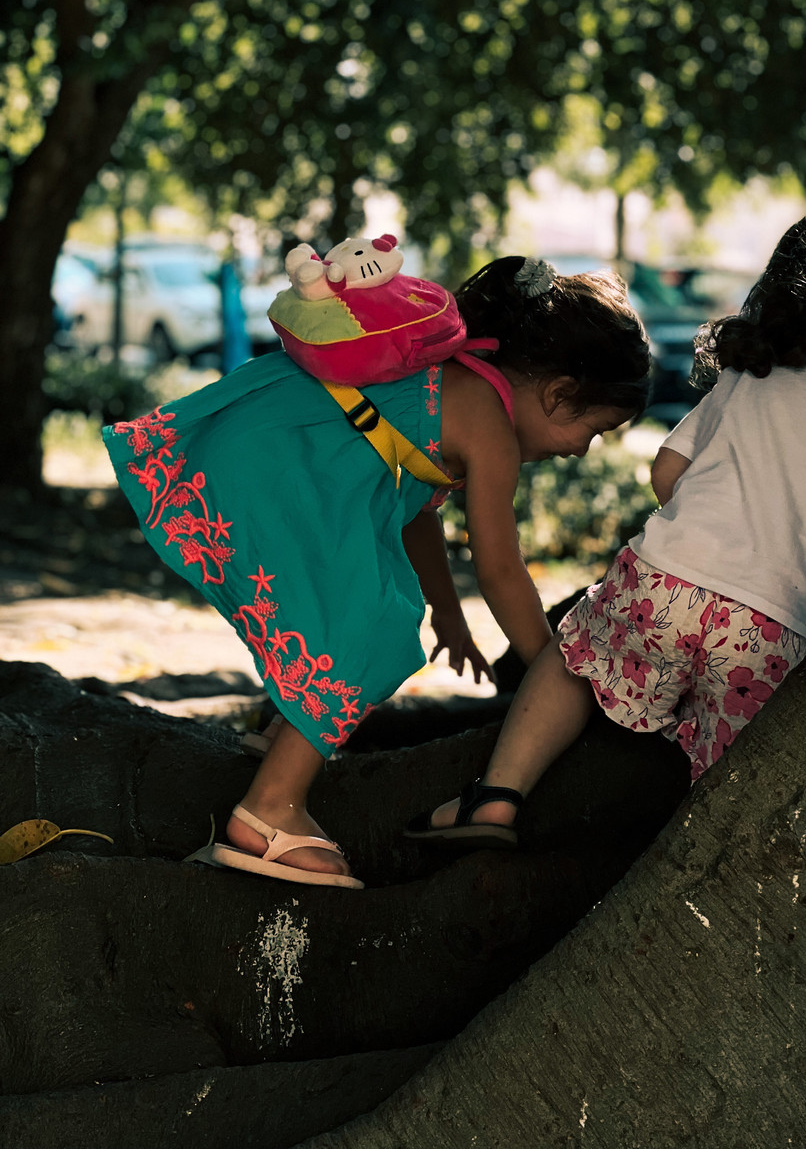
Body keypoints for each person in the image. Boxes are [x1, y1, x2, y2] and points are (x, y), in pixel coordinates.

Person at [407, 195, 806, 847]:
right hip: (782, 623)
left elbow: (666, 474)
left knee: (573, 659)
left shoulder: (758, 369)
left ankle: (495, 798)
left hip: (669, 581)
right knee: (735, 772)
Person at [104, 255, 650, 888]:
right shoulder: (491, 428)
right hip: (284, 472)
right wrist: (551, 672)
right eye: (595, 428)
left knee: (367, 608)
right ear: (559, 393)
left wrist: (447, 614)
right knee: (372, 632)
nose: (584, 448)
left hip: (270, 450)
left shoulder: (450, 382)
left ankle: (287, 727)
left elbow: (419, 518)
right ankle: (268, 811)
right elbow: (501, 569)